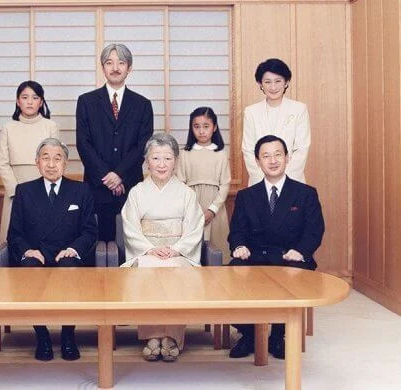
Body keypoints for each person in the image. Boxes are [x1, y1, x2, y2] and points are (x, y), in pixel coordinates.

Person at [228, 135, 325, 360]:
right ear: (257, 161)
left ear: (287, 158)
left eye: (277, 154)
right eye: (266, 156)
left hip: (289, 257)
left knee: (293, 275)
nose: (272, 160)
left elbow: (315, 230)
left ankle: (277, 336)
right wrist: (239, 245)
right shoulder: (246, 196)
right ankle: (249, 334)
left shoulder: (305, 193)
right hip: (255, 257)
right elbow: (237, 231)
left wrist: (301, 250)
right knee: (230, 275)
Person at [7, 138, 97, 361]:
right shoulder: (24, 191)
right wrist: (28, 250)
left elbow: (89, 231)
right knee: (29, 268)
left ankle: (68, 335)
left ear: (66, 163)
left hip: (67, 253)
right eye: (45, 158)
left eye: (57, 158)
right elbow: (14, 233)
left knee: (69, 269)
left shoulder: (81, 190)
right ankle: (42, 336)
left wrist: (73, 249)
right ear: (37, 162)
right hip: (36, 253)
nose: (51, 163)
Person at [121, 133, 204, 362]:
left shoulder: (186, 193)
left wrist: (177, 249)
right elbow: (130, 226)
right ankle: (151, 337)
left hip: (177, 251)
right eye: (156, 158)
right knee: (147, 269)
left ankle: (172, 337)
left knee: (176, 270)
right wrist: (148, 248)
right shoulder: (137, 192)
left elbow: (194, 227)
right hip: (147, 251)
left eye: (167, 158)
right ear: (147, 161)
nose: (161, 164)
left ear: (176, 161)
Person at [76, 43, 154, 241]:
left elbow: (143, 145)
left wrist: (119, 175)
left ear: (130, 67)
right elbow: (83, 144)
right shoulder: (86, 101)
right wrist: (107, 176)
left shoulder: (143, 104)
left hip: (131, 185)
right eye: (109, 63)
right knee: (99, 246)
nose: (115, 68)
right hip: (96, 186)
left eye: (121, 62)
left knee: (131, 243)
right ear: (102, 68)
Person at [0, 80, 59, 244]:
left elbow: (56, 160)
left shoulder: (50, 126)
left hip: (44, 188)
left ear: (41, 102)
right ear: (18, 101)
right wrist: (15, 191)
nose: (30, 101)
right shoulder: (8, 127)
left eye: (35, 97)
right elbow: (3, 163)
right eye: (25, 97)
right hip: (15, 189)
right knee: (13, 241)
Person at [242, 58, 310, 186]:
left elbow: (302, 149)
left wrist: (281, 179)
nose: (273, 87)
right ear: (260, 83)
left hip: (292, 181)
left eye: (278, 81)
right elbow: (248, 149)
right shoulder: (251, 112)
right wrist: (266, 178)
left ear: (286, 82)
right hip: (260, 182)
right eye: (267, 82)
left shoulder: (299, 109)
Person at [176, 107, 231, 262]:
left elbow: (225, 184)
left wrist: (212, 210)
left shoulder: (220, 153)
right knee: (192, 251)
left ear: (214, 128)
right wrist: (192, 209)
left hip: (215, 207)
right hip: (192, 205)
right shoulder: (185, 153)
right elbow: (180, 183)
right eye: (197, 126)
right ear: (191, 128)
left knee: (216, 248)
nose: (201, 131)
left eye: (206, 126)